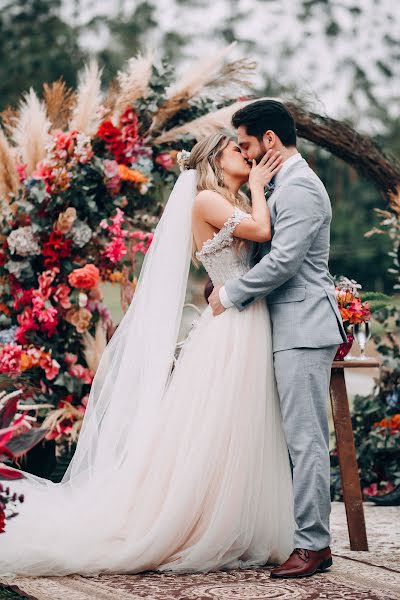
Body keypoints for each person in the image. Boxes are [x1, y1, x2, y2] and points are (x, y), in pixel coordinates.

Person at [0, 132, 295, 577]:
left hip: (246, 317)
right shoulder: (205, 201)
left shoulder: (231, 198)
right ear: (216, 159)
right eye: (237, 149)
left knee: (241, 424)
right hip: (231, 327)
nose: (247, 154)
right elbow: (262, 231)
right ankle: (193, 524)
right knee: (216, 425)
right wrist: (258, 187)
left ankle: (234, 522)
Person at [209, 100, 347, 578]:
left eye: (246, 145)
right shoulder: (279, 185)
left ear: (270, 140)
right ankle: (300, 535)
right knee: (293, 435)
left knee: (305, 439)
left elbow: (286, 261)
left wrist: (229, 293)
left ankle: (313, 546)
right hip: (288, 323)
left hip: (304, 325)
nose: (245, 155)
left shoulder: (303, 187)